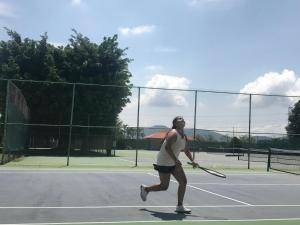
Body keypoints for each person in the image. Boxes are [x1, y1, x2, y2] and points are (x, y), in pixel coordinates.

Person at [140, 116, 199, 213]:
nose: (182, 120)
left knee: (183, 181)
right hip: (164, 161)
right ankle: (146, 189)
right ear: (175, 123)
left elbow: (186, 150)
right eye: (179, 119)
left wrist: (192, 161)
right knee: (164, 186)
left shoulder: (183, 136)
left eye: (183, 119)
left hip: (173, 161)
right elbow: (167, 147)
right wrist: (176, 160)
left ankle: (179, 206)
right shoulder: (173, 133)